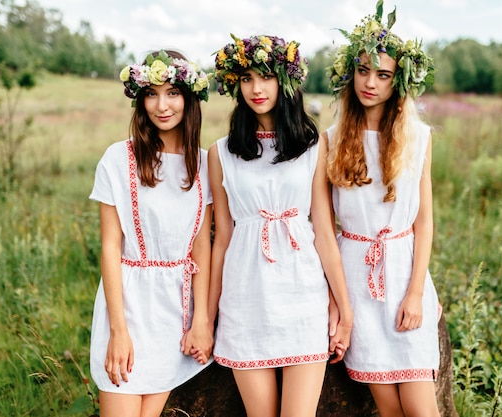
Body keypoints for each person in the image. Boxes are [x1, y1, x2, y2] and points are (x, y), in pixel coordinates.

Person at [208, 34, 353, 417]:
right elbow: (222, 239)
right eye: (246, 79)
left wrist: (343, 309)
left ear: (286, 81)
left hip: (302, 296)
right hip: (245, 298)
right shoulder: (220, 153)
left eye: (266, 77)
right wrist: (206, 320)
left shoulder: (313, 146)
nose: (256, 88)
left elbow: (323, 231)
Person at [323, 1, 441, 416]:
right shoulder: (332, 138)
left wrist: (415, 292)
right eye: (363, 70)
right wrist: (339, 305)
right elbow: (324, 227)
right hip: (356, 275)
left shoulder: (418, 138)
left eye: (384, 74)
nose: (370, 82)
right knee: (389, 409)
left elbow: (423, 222)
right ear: (350, 72)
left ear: (399, 81)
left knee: (421, 407)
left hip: (402, 270)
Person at [88, 49, 213, 417]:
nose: (162, 105)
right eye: (151, 93)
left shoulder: (204, 164)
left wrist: (200, 321)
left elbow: (201, 250)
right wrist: (118, 330)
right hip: (128, 305)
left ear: (189, 98)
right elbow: (110, 248)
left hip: (174, 311)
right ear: (140, 100)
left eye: (173, 92)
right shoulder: (118, 159)